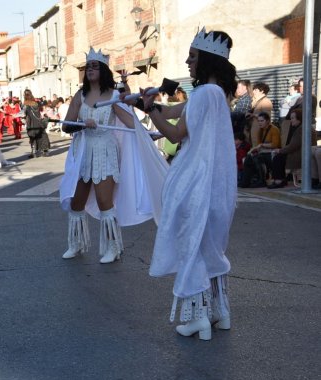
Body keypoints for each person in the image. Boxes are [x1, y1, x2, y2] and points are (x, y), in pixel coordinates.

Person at [141, 28, 237, 340]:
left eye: (193, 57)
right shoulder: (217, 94)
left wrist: (150, 112)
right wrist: (149, 105)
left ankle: (198, 319)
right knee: (210, 248)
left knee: (192, 246)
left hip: (196, 183)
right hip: (217, 186)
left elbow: (174, 133)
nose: (187, 61)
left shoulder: (204, 94)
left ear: (207, 60)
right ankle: (220, 312)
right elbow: (170, 110)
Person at [59, 47, 166, 264]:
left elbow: (129, 121)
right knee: (77, 200)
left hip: (106, 151)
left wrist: (145, 135)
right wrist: (81, 124)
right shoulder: (80, 96)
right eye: (87, 67)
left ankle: (113, 246)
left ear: (104, 70)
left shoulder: (114, 96)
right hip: (83, 152)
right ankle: (76, 242)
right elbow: (67, 126)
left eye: (94, 66)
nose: (89, 70)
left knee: (104, 201)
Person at [268, 109, 317, 188]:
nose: (291, 120)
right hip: (301, 153)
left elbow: (293, 146)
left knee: (278, 158)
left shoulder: (301, 129)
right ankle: (281, 179)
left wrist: (280, 150)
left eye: (293, 118)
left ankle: (279, 181)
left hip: (300, 155)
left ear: (299, 118)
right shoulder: (302, 127)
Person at [239, 112, 281, 188]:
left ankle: (262, 180)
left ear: (267, 121)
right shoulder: (260, 131)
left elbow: (275, 144)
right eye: (258, 121)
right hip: (263, 152)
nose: (259, 123)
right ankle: (246, 181)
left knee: (257, 158)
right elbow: (259, 144)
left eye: (262, 121)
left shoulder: (274, 129)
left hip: (273, 152)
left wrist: (262, 145)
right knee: (249, 157)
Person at [22, 89, 51, 158]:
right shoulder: (36, 103)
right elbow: (41, 111)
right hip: (38, 122)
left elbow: (23, 113)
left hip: (31, 123)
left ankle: (34, 152)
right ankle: (45, 151)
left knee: (33, 136)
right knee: (42, 135)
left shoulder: (26, 103)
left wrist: (15, 115)